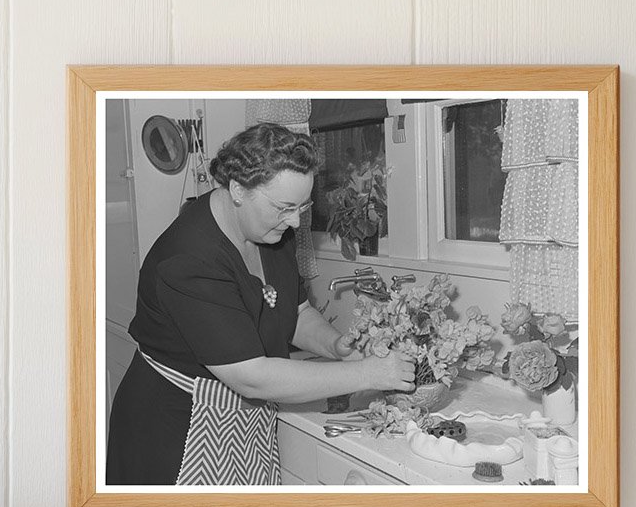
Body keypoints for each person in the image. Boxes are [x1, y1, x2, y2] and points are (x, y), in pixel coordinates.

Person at [106, 122, 414, 485]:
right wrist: (370, 373)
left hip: (241, 420)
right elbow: (251, 377)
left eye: (303, 206)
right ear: (238, 189)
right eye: (284, 207)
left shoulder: (271, 232)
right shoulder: (189, 259)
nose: (295, 220)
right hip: (175, 431)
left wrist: (335, 346)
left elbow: (295, 313)